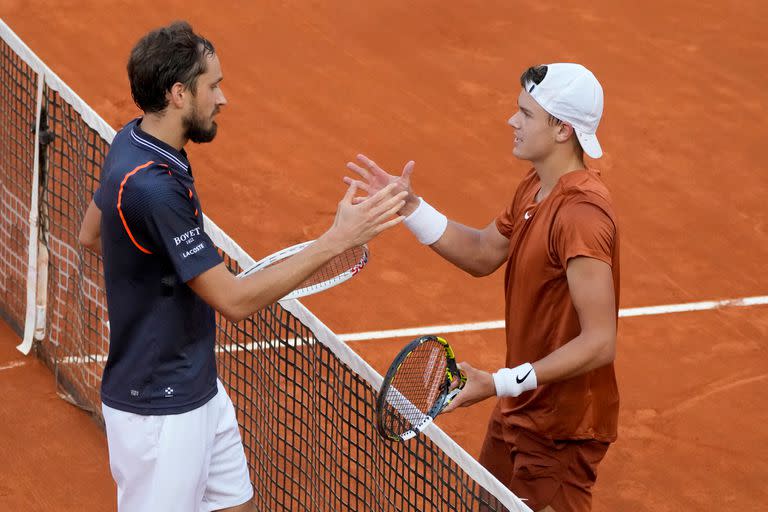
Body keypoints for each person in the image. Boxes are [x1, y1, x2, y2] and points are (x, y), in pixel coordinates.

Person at [78, 21, 405, 512]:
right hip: (161, 410)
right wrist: (336, 240)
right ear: (179, 94)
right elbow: (232, 300)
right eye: (213, 86)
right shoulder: (152, 187)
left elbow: (90, 234)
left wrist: (161, 276)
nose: (223, 99)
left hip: (199, 389)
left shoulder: (135, 140)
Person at [345, 63, 619, 512]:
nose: (512, 121)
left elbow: (600, 342)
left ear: (562, 130)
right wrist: (410, 208)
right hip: (521, 407)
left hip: (563, 428)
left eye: (526, 115)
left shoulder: (582, 217)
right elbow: (481, 253)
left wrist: (500, 382)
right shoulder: (536, 188)